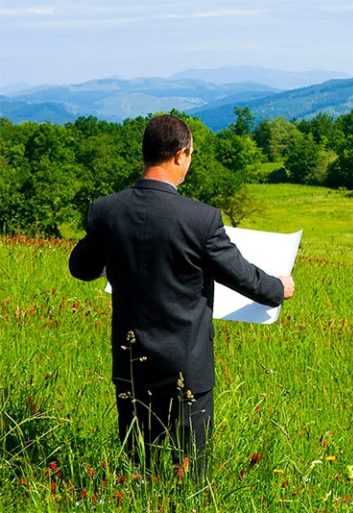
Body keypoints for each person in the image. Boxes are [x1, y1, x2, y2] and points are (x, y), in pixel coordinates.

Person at [68, 114, 295, 483]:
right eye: (190, 154)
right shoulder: (201, 219)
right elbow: (241, 275)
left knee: (138, 466)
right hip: (186, 366)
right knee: (190, 472)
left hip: (131, 362)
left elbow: (81, 268)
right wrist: (278, 288)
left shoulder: (106, 211)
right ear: (179, 154)